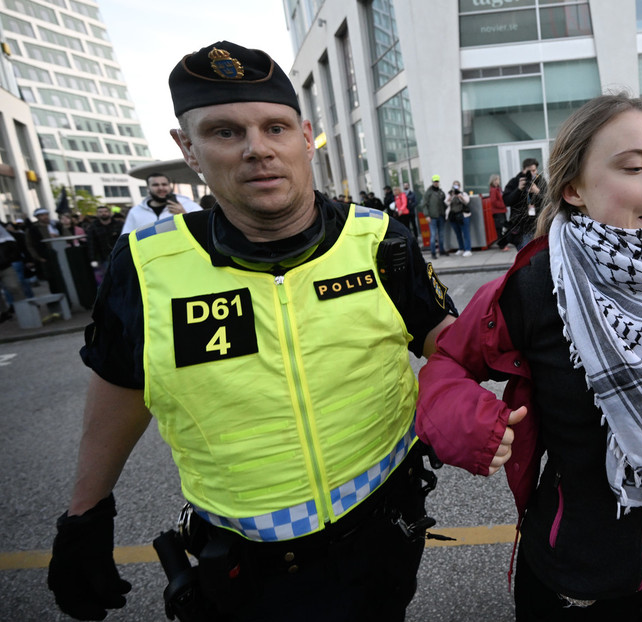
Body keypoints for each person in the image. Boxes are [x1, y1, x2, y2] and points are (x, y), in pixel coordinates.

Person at [47, 40, 458, 622]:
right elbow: (121, 383)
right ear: (187, 148)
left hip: (385, 533)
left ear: (305, 136)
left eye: (275, 127)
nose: (257, 150)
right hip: (245, 571)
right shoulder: (144, 264)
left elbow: (445, 339)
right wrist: (85, 518)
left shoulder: (379, 239)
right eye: (225, 132)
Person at [417, 94, 642, 621]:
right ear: (573, 189)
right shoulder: (535, 285)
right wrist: (469, 423)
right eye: (634, 167)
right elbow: (445, 366)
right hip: (571, 575)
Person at [121, 173, 202, 234]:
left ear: (170, 187)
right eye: (155, 185)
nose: (161, 188)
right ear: (148, 188)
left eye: (164, 184)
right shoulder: (135, 212)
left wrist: (184, 215)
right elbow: (126, 237)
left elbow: (203, 228)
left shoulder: (189, 205)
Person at [502, 158, 546, 249]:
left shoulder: (541, 181)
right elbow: (506, 201)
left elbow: (549, 200)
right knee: (525, 256)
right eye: (529, 171)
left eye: (534, 171)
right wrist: (518, 190)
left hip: (538, 225)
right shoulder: (515, 182)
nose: (532, 173)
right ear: (523, 170)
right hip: (521, 227)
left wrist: (537, 191)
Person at [84, 206, 124, 285]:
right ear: (97, 214)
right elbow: (91, 244)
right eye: (101, 212)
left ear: (109, 213)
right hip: (104, 257)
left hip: (120, 255)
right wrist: (93, 259)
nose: (103, 213)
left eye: (105, 211)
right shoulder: (92, 227)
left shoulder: (119, 224)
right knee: (110, 280)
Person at [421, 175, 447, 259]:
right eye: (435, 181)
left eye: (437, 181)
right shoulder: (428, 192)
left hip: (441, 216)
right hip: (432, 217)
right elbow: (424, 205)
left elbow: (444, 202)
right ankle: (433, 253)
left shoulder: (440, 192)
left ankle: (442, 250)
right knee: (433, 235)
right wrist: (427, 215)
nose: (436, 183)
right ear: (432, 182)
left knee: (441, 234)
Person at [445, 180, 472, 257]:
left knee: (465, 233)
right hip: (453, 216)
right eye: (454, 186)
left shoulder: (463, 194)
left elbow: (466, 202)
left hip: (463, 216)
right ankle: (461, 248)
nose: (456, 187)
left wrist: (460, 196)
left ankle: (468, 249)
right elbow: (446, 203)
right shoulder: (450, 194)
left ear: (460, 187)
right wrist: (451, 196)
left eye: (457, 186)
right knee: (458, 233)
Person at [486, 174, 510, 251]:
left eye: (498, 180)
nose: (497, 181)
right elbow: (493, 201)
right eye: (495, 180)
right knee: (500, 229)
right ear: (492, 181)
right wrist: (503, 204)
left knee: (503, 228)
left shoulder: (498, 189)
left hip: (501, 211)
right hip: (498, 212)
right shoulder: (493, 190)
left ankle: (503, 244)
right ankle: (501, 245)